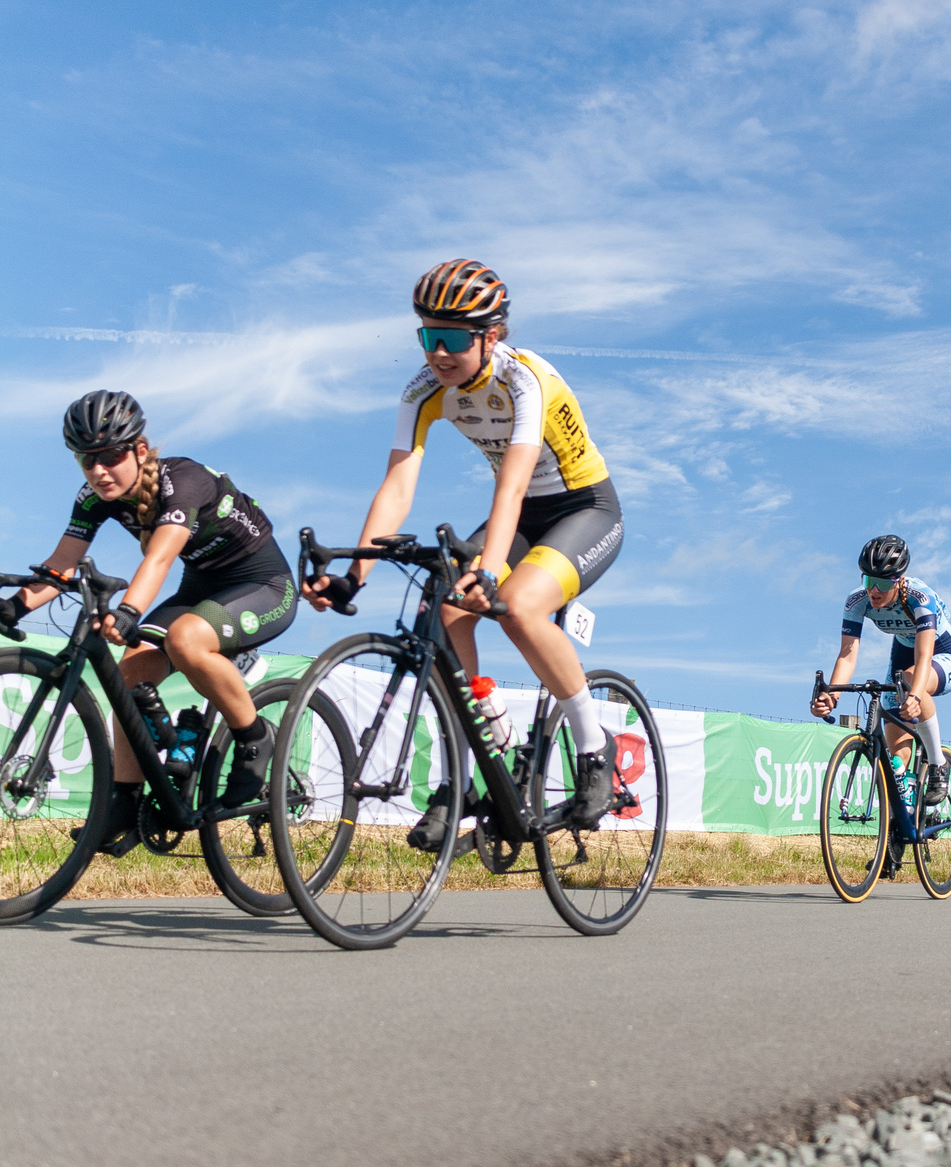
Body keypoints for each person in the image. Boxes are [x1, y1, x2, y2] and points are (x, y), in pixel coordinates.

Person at [303, 259, 623, 845]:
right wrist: (356, 576)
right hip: (523, 516)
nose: (437, 354)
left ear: (491, 335)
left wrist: (486, 572)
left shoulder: (526, 381)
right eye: (427, 336)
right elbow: (398, 486)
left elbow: (513, 485)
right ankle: (483, 749)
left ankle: (594, 750)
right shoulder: (422, 392)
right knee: (442, 612)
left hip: (583, 509)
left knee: (519, 606)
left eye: (451, 339)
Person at [0, 391, 298, 855]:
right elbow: (59, 568)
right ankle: (124, 799)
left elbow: (159, 559)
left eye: (110, 456)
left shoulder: (184, 481)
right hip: (201, 590)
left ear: (140, 450)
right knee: (131, 670)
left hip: (264, 585)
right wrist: (13, 607)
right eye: (86, 460)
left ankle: (255, 737)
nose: (98, 471)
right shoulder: (94, 497)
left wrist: (129, 611)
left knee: (185, 640)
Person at [810, 533, 951, 803]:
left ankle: (938, 764)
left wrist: (916, 696)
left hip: (943, 652)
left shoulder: (920, 598)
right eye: (869, 581)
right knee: (897, 756)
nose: (874, 590)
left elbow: (924, 653)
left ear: (900, 580)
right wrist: (831, 696)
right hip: (903, 654)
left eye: (882, 583)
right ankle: (902, 812)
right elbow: (847, 654)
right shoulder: (856, 601)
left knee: (909, 682)